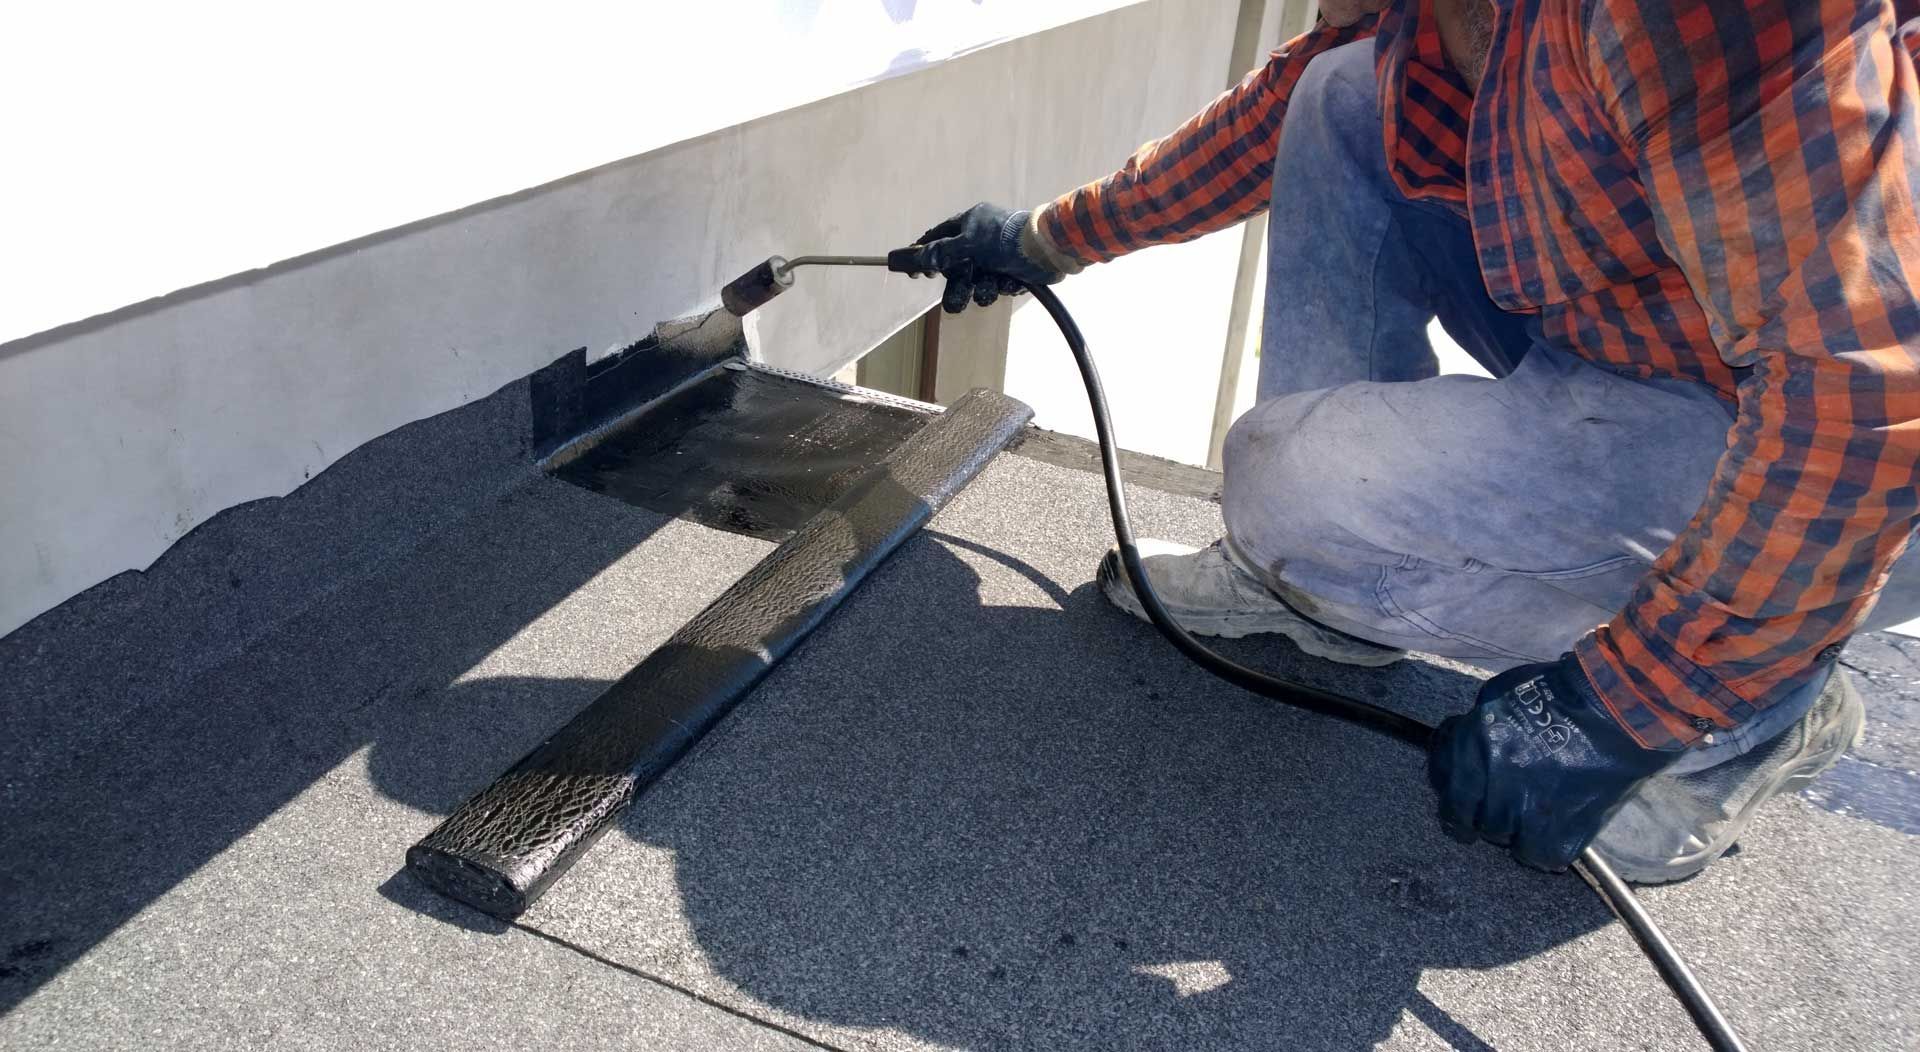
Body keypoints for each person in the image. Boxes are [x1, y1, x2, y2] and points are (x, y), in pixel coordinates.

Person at [896, 0, 1920, 883]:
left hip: (1842, 458)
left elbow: (1860, 393)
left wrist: (1628, 704)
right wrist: (1042, 240)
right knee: (1342, 96)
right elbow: (1276, 114)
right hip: (1653, 334)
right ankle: (1327, 593)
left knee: (1287, 484)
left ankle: (1753, 711)